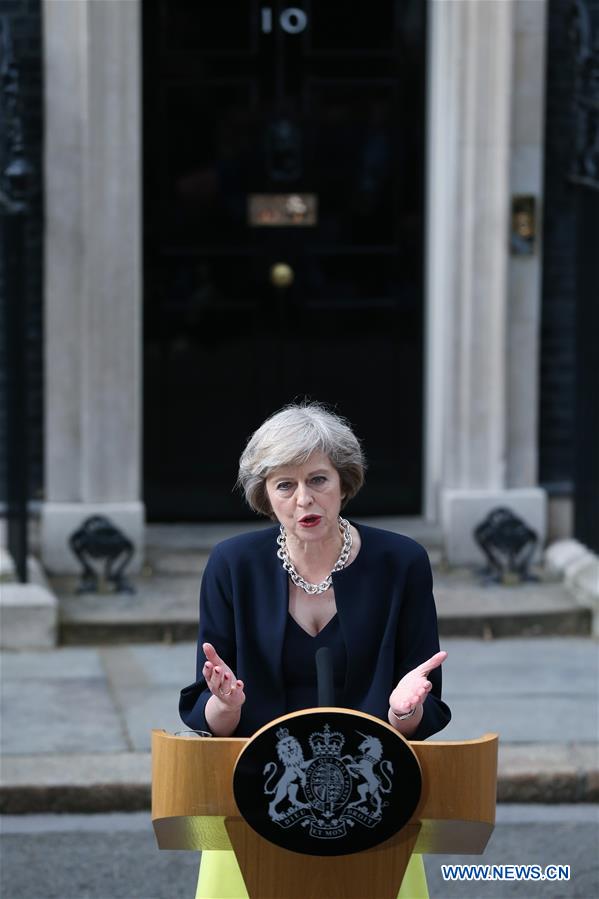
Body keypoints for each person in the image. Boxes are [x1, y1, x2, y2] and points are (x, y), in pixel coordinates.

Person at [179, 402, 451, 899]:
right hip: (255, 793)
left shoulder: (402, 563)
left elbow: (423, 711)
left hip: (371, 809)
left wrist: (402, 711)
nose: (304, 499)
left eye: (318, 480)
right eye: (285, 485)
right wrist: (226, 704)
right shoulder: (232, 565)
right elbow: (208, 712)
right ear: (266, 495)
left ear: (344, 482)